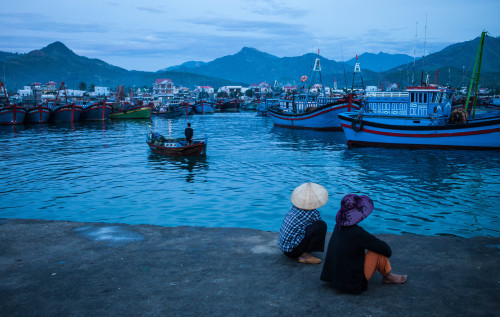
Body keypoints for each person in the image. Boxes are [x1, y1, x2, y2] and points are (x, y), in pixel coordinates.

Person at [320, 194, 407, 294]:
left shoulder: (338, 226)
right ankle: (388, 276)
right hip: (349, 282)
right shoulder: (357, 233)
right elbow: (386, 249)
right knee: (378, 252)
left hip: (334, 277)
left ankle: (388, 276)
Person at [278, 183, 328, 264]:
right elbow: (318, 227)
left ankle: (303, 252)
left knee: (309, 226)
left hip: (285, 249)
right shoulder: (313, 213)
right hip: (293, 251)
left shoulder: (294, 207)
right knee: (321, 225)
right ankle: (305, 256)